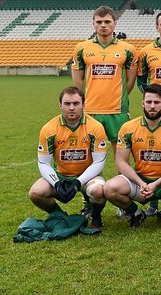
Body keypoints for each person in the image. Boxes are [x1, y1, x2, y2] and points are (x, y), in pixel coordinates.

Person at [102, 84, 161, 228]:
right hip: (141, 181)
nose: (152, 106)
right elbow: (121, 161)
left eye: (156, 102)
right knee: (109, 188)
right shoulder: (128, 128)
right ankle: (137, 213)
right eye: (149, 102)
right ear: (143, 103)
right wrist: (141, 183)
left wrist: (156, 184)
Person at [29, 87, 108, 230]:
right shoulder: (48, 129)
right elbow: (43, 162)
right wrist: (57, 183)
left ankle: (95, 215)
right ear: (60, 105)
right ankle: (60, 216)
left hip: (87, 176)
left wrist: (78, 182)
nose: (71, 108)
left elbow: (99, 161)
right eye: (67, 104)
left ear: (84, 105)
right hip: (61, 176)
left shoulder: (95, 127)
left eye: (76, 103)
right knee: (36, 193)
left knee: (99, 190)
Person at [71, 5, 138, 144]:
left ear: (114, 23)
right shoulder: (81, 48)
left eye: (107, 22)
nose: (103, 25)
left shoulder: (128, 49)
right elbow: (78, 79)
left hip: (118, 110)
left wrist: (120, 97)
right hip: (90, 109)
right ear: (93, 24)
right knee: (88, 151)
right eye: (99, 22)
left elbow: (131, 81)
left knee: (120, 151)